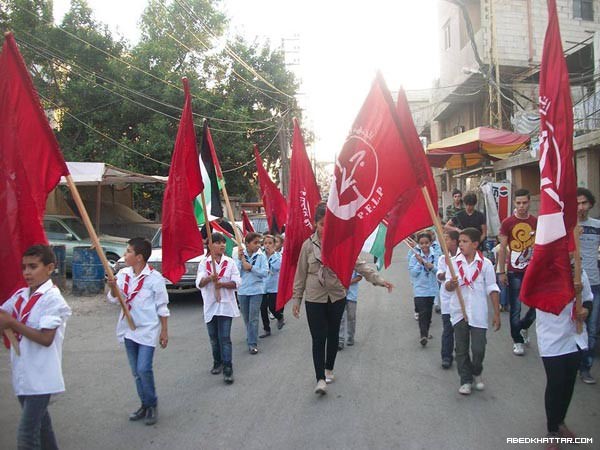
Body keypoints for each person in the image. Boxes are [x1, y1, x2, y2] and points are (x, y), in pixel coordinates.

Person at [292, 203, 393, 396]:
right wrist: (296, 299)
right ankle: (320, 378)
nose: (325, 228)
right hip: (314, 298)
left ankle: (329, 368)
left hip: (337, 296)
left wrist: (380, 281)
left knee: (332, 335)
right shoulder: (307, 246)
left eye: (328, 224)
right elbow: (300, 274)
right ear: (315, 224)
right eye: (321, 224)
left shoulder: (342, 244)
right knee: (318, 337)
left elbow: (361, 266)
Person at [0, 245, 72, 449]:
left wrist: (13, 324)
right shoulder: (21, 295)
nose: (27, 272)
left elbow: (46, 338)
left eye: (33, 266)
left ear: (49, 268)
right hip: (23, 374)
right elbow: (3, 316)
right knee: (42, 428)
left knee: (26, 436)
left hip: (41, 378)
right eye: (24, 267)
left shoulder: (53, 299)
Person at [107, 237, 169, 425]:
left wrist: (164, 331)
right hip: (128, 330)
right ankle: (144, 404)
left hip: (147, 330)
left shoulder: (154, 279)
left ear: (140, 257)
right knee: (136, 372)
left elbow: (162, 307)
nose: (125, 255)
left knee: (144, 369)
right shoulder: (123, 275)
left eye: (128, 252)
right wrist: (113, 289)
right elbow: (115, 300)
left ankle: (152, 404)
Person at [536, 266, 593, 448]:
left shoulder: (579, 271)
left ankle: (560, 422)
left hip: (574, 336)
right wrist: (569, 290)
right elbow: (537, 299)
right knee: (556, 382)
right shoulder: (542, 271)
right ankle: (552, 430)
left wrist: (585, 310)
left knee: (568, 383)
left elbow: (589, 299)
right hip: (552, 336)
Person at [445, 228, 500, 395]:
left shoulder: (486, 264)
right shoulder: (453, 263)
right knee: (461, 348)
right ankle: (465, 379)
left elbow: (492, 288)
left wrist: (497, 314)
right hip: (458, 311)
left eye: (465, 241)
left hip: (478, 312)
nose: (460, 244)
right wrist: (452, 284)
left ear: (475, 244)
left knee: (478, 349)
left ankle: (476, 370)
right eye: (460, 241)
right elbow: (447, 286)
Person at [196, 232, 241, 384]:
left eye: (223, 242)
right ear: (210, 245)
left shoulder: (230, 263)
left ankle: (228, 368)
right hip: (210, 305)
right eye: (217, 242)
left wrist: (221, 284)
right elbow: (199, 283)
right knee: (214, 338)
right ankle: (217, 362)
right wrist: (210, 278)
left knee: (225, 338)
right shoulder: (204, 263)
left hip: (226, 306)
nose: (222, 245)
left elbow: (237, 282)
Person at [497, 188, 537, 356]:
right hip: (514, 271)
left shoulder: (536, 222)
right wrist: (502, 272)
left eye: (524, 202)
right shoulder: (508, 223)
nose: (521, 206)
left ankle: (524, 326)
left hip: (534, 271)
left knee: (537, 305)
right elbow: (503, 249)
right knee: (516, 308)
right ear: (514, 203)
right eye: (518, 203)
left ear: (529, 202)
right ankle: (517, 341)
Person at [576, 187, 600, 384]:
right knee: (574, 326)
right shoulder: (567, 227)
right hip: (574, 284)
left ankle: (586, 367)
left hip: (595, 284)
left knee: (592, 327)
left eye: (584, 203)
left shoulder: (597, 226)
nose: (581, 207)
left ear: (590, 204)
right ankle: (571, 362)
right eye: (577, 203)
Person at [236, 232, 268, 354]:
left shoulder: (261, 256)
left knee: (253, 317)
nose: (258, 245)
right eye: (255, 243)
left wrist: (252, 268)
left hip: (256, 290)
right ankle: (250, 335)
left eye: (259, 242)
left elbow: (265, 272)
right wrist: (240, 262)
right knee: (246, 317)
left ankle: (252, 343)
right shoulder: (239, 255)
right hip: (242, 290)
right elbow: (235, 273)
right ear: (247, 244)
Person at [408, 232, 439, 347]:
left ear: (431, 243)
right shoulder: (414, 257)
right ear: (418, 244)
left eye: (426, 243)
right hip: (419, 290)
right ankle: (423, 335)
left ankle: (426, 331)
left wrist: (431, 266)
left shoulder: (435, 255)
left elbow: (439, 272)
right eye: (421, 243)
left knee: (428, 314)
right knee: (422, 313)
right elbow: (413, 273)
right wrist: (419, 263)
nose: (424, 245)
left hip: (431, 289)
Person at [437, 230, 459, 368]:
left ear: (455, 241)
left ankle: (461, 352)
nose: (444, 242)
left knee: (461, 329)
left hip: (461, 299)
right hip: (447, 299)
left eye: (447, 239)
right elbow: (439, 276)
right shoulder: (442, 259)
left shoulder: (463, 258)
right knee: (448, 329)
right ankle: (446, 356)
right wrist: (448, 272)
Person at [259, 234, 285, 338]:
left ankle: (279, 317)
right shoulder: (261, 256)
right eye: (265, 243)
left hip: (274, 286)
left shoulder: (278, 256)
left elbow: (278, 267)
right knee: (263, 308)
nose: (267, 245)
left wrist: (272, 255)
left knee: (273, 307)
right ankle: (266, 329)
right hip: (263, 286)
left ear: (274, 245)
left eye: (270, 243)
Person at [338, 270, 362, 350]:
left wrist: (348, 282)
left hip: (352, 295)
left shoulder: (355, 261)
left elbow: (359, 277)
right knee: (340, 318)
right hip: (340, 294)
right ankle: (340, 340)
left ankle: (350, 337)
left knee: (351, 317)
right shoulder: (339, 260)